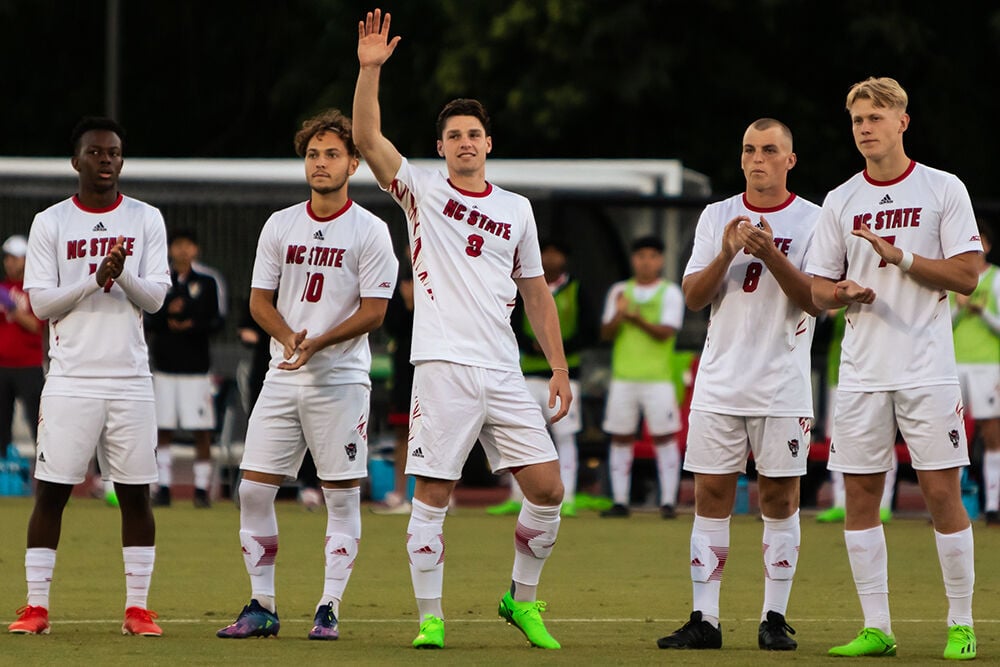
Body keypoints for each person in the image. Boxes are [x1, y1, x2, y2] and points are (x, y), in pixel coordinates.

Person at [354, 9, 572, 650]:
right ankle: (431, 616)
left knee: (548, 489)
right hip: (443, 364)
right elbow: (368, 139)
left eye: (474, 133)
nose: (465, 142)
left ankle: (521, 600)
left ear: (488, 143)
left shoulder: (517, 209)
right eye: (454, 135)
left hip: (504, 368)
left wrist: (557, 367)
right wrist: (369, 71)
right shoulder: (420, 189)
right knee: (435, 492)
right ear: (442, 145)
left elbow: (535, 292)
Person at [807, 77, 982, 660]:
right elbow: (815, 289)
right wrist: (841, 293)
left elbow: (966, 276)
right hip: (860, 373)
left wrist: (899, 256)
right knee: (859, 499)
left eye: (876, 117)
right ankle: (877, 626)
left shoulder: (942, 188)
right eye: (858, 118)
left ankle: (961, 623)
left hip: (927, 369)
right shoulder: (840, 199)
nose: (865, 127)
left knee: (940, 495)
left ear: (903, 122)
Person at [216, 108, 397, 641]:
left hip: (340, 381)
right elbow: (257, 301)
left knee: (340, 497)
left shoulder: (371, 229)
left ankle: (328, 605)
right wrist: (289, 335)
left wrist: (320, 340)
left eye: (332, 154)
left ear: (354, 163)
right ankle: (263, 605)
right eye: (313, 154)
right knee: (252, 491)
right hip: (283, 374)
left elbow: (375, 311)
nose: (320, 163)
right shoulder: (280, 223)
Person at [657, 118, 821, 651]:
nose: (758, 159)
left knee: (779, 496)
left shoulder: (816, 220)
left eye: (770, 150)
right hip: (720, 381)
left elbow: (814, 298)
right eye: (750, 149)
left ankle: (774, 616)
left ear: (790, 160)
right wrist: (728, 251)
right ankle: (705, 618)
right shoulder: (715, 215)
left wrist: (770, 252)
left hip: (782, 381)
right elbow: (693, 297)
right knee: (710, 495)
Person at [8, 117, 170, 637]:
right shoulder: (50, 222)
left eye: (115, 153)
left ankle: (137, 609)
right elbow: (40, 302)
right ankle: (36, 607)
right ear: (76, 161)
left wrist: (122, 274)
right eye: (97, 153)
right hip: (70, 378)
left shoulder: (146, 219)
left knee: (136, 493)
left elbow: (156, 298)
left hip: (129, 378)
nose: (107, 161)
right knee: (51, 491)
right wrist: (92, 279)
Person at [488, 239, 593, 518]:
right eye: (545, 252)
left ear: (565, 258)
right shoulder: (524, 288)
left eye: (556, 252)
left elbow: (588, 330)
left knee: (565, 436)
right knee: (522, 435)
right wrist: (531, 343)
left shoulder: (576, 290)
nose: (550, 258)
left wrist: (558, 349)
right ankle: (517, 496)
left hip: (566, 374)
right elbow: (511, 321)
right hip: (528, 373)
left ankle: (567, 496)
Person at [599, 235, 684, 519]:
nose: (646, 262)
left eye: (651, 256)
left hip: (657, 377)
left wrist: (634, 318)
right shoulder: (620, 291)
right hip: (624, 376)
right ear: (634, 260)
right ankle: (620, 500)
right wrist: (619, 316)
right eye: (640, 256)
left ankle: (668, 501)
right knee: (620, 437)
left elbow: (666, 332)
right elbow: (606, 333)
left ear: (659, 260)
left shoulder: (670, 292)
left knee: (664, 438)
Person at [146, 228, 223, 508]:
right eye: (177, 245)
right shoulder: (159, 281)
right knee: (162, 428)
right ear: (170, 249)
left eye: (187, 245)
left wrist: (191, 323)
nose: (182, 251)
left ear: (196, 250)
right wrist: (168, 315)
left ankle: (201, 490)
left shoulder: (208, 281)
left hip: (196, 369)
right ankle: (162, 487)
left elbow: (217, 322)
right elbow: (148, 319)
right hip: (164, 367)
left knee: (200, 430)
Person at [816, 307, 897, 524]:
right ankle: (841, 502)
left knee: (883, 437)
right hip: (840, 374)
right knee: (838, 439)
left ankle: (885, 504)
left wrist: (841, 305)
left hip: (877, 372)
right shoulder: (834, 288)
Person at [950, 223, 1000, 524]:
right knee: (952, 434)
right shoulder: (952, 279)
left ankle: (993, 504)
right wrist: (959, 309)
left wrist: (983, 313)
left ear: (988, 245)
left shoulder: (995, 279)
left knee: (991, 431)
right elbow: (939, 325)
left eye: (979, 240)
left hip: (987, 366)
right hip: (954, 364)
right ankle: (952, 505)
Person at [371, 248, 415, 515]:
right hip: (404, 368)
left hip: (436, 366)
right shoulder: (399, 282)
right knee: (403, 433)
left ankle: (440, 497)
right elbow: (391, 325)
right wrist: (409, 306)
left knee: (440, 434)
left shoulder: (444, 276)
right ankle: (400, 493)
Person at [0, 235, 44, 454]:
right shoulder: (2, 287)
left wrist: (12, 308)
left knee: (39, 423)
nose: (9, 262)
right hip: (2, 366)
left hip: (29, 365)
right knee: (1, 425)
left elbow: (36, 326)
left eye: (15, 258)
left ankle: (46, 471)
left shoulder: (34, 290)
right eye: (7, 258)